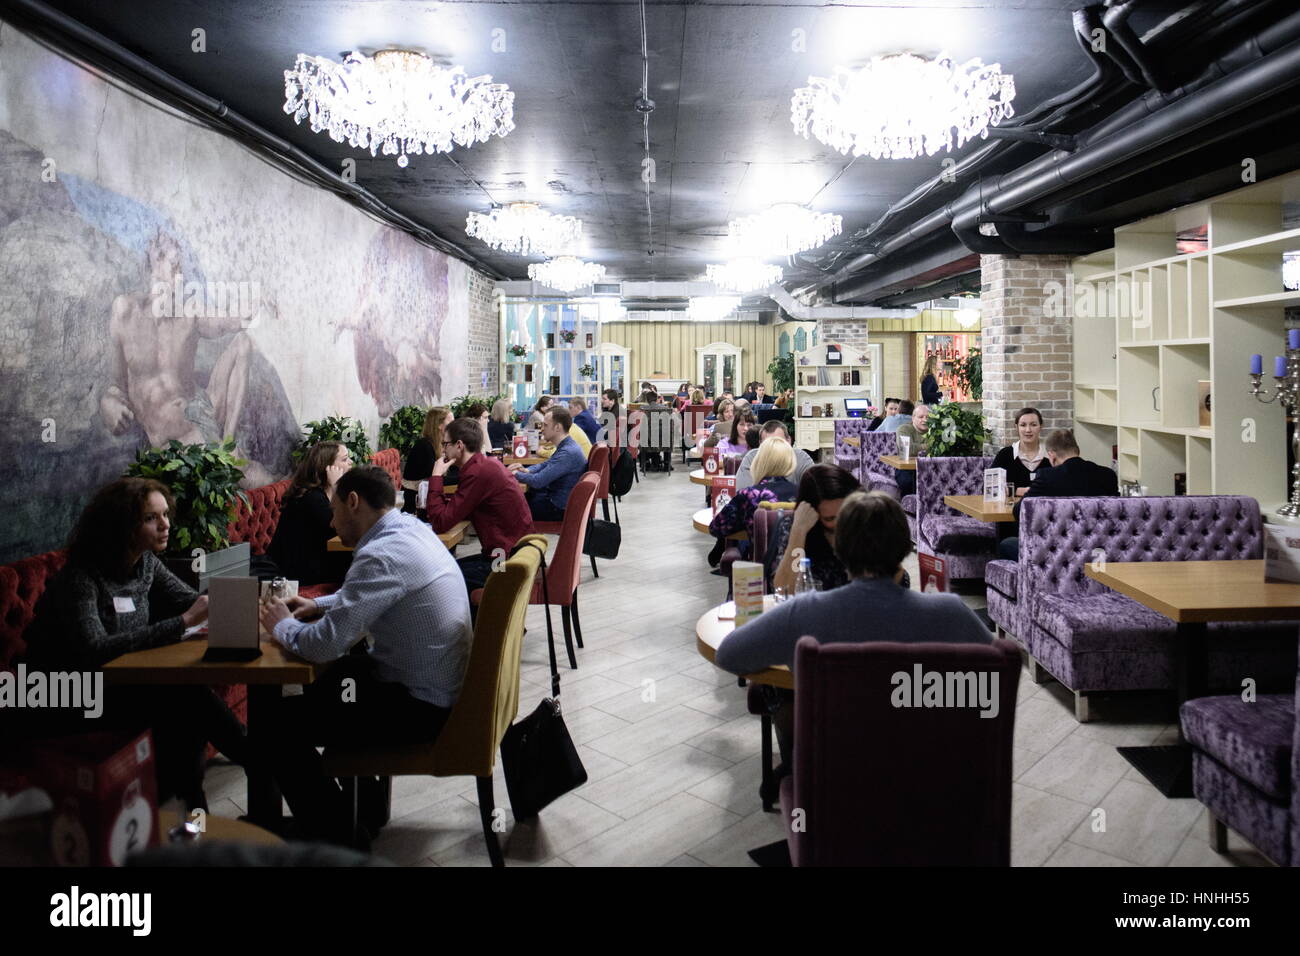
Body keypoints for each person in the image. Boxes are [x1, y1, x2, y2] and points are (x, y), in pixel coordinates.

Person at [257, 465, 472, 843]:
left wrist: (281, 626)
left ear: (353, 501)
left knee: (277, 727)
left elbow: (324, 645)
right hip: (438, 689)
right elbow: (375, 592)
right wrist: (317, 604)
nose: (331, 521)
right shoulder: (410, 529)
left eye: (334, 510)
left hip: (418, 708)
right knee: (329, 684)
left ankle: (338, 834)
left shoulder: (379, 554)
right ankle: (362, 808)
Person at [718, 491, 991, 776]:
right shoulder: (949, 613)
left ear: (839, 547)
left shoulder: (804, 613)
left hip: (835, 784)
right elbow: (992, 684)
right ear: (904, 547)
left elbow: (730, 654)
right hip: (928, 779)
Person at [23, 478, 248, 811]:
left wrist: (252, 602)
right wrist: (182, 622)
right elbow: (95, 649)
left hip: (124, 683)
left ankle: (191, 808)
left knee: (186, 702)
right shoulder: (81, 577)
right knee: (186, 700)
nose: (166, 525)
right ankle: (244, 766)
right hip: (70, 694)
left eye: (165, 514)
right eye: (150, 518)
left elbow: (190, 600)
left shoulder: (145, 564)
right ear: (123, 526)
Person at [427, 417, 534, 595]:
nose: (443, 449)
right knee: (448, 569)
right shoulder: (486, 464)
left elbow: (440, 522)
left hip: (505, 563)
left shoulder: (476, 473)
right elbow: (460, 507)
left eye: (445, 444)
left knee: (441, 580)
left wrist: (436, 476)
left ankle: (484, 613)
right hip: (518, 553)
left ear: (459, 445)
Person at [998, 429, 1119, 560]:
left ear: (1052, 456)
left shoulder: (1046, 477)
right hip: (1098, 552)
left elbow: (1019, 511)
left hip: (1057, 553)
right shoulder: (1108, 475)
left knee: (1007, 544)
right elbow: (1117, 514)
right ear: (1077, 450)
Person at [267, 441, 355, 585]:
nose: (350, 462)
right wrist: (336, 487)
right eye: (345, 459)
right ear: (327, 467)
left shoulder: (324, 493)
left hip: (314, 559)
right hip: (297, 570)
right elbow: (343, 529)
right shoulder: (312, 498)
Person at [769, 464, 861, 594]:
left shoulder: (866, 521)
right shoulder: (795, 526)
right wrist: (798, 532)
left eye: (846, 514)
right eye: (830, 518)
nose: (841, 524)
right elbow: (784, 590)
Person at [709, 438, 799, 549]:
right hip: (798, 558)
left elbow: (716, 528)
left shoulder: (749, 495)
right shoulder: (802, 494)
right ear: (790, 463)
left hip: (759, 559)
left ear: (758, 461)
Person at [511, 405, 587, 522]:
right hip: (557, 501)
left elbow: (538, 481)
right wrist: (527, 470)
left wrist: (514, 474)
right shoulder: (567, 446)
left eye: (545, 425)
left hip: (558, 508)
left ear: (557, 427)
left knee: (511, 508)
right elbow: (546, 464)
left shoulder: (567, 452)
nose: (542, 429)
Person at [735, 421, 814, 490]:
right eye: (768, 445)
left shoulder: (801, 458)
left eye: (779, 443)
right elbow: (742, 491)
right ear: (760, 444)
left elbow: (815, 489)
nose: (774, 449)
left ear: (789, 441)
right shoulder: (752, 458)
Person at [401, 407, 453, 513]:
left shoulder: (440, 443)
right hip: (416, 505)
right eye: (451, 422)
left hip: (428, 498)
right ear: (439, 425)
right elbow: (434, 477)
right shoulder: (424, 445)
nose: (455, 425)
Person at [991, 407, 1047, 493]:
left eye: (1033, 425)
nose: (1028, 430)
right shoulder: (1005, 454)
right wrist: (1020, 491)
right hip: (1011, 502)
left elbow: (1063, 486)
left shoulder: (1052, 455)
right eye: (1023, 425)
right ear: (1016, 427)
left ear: (1041, 426)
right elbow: (991, 487)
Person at [893, 404, 930, 497]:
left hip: (929, 467)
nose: (925, 420)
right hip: (906, 469)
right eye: (921, 417)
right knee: (908, 481)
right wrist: (929, 446)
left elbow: (940, 450)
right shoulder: (903, 429)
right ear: (913, 418)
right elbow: (908, 450)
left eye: (928, 417)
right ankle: (908, 505)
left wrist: (917, 447)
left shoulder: (934, 431)